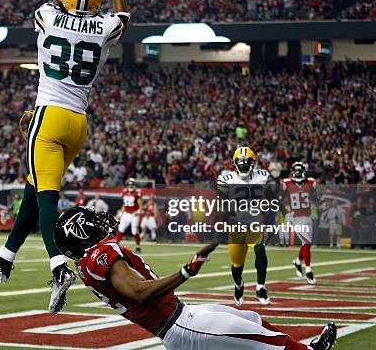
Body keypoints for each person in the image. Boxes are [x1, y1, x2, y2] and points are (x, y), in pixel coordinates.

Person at [0, 0, 130, 315]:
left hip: (49, 116)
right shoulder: (105, 27)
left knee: (46, 199)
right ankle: (3, 260)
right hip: (78, 123)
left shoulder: (46, 16)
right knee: (33, 187)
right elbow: (122, 15)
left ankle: (58, 267)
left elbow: (59, 0)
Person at [53, 206, 337, 350]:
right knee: (270, 342)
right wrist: (186, 271)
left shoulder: (89, 261)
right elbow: (139, 292)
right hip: (180, 326)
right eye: (91, 221)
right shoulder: (100, 256)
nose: (99, 221)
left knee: (253, 319)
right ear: (82, 232)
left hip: (182, 316)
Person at [216, 146, 273, 306]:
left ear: (253, 163)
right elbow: (221, 202)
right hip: (236, 226)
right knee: (237, 264)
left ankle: (260, 287)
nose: (244, 165)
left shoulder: (262, 176)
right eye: (241, 162)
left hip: (255, 223)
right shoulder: (226, 179)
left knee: (260, 250)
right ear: (235, 163)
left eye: (247, 162)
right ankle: (238, 285)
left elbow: (270, 196)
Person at [282, 161, 318, 284]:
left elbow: (316, 198)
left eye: (299, 171)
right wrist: (286, 212)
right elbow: (280, 200)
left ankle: (298, 261)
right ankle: (308, 270)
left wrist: (315, 202)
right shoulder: (286, 183)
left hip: (307, 217)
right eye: (295, 171)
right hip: (296, 218)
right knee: (307, 242)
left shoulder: (311, 183)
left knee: (306, 244)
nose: (297, 173)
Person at [116, 178, 144, 253]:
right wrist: (120, 213)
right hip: (126, 213)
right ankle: (116, 246)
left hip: (134, 214)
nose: (130, 186)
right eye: (129, 184)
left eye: (132, 184)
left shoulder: (137, 193)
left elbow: (141, 206)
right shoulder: (124, 192)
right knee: (121, 229)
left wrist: (138, 211)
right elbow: (125, 205)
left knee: (134, 231)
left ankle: (138, 247)